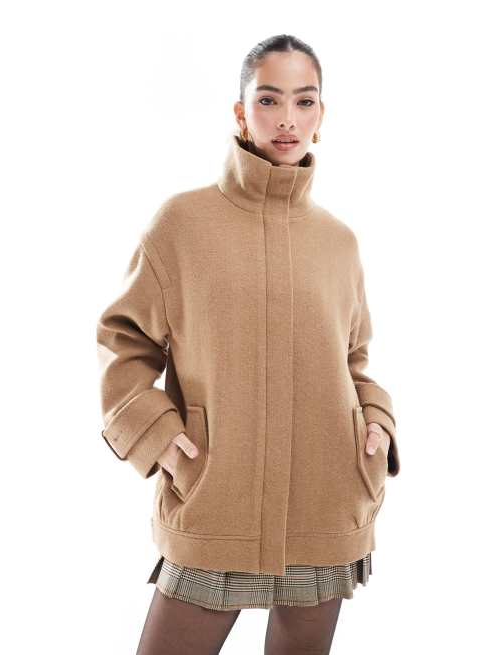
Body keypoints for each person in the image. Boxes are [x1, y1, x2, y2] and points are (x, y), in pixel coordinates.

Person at [96, 34, 400, 655]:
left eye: (304, 101)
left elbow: (354, 359)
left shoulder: (338, 241)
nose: (287, 118)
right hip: (216, 496)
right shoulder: (181, 224)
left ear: (320, 115)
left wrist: (377, 422)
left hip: (326, 500)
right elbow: (122, 343)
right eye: (268, 99)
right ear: (241, 112)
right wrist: (161, 438)